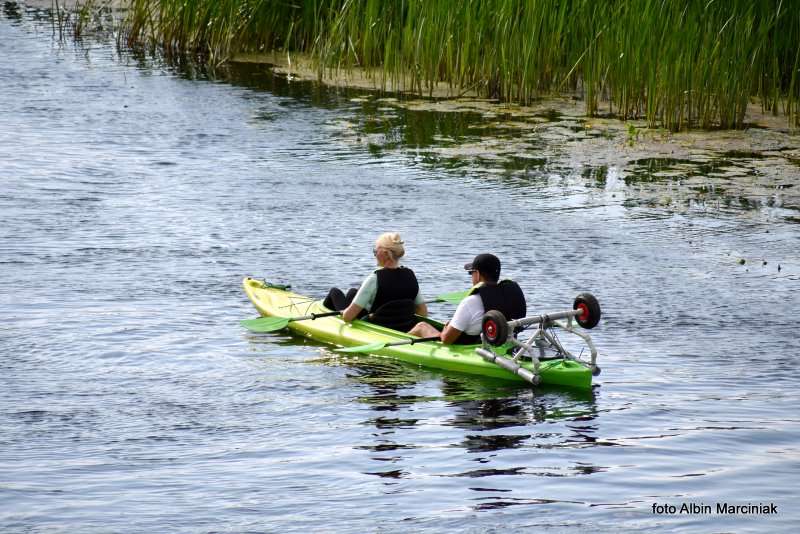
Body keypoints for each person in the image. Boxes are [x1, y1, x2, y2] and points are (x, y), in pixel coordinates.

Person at [408, 253, 526, 344]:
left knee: (422, 326)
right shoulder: (507, 296)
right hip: (500, 343)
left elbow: (446, 340)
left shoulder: (471, 301)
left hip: (467, 347)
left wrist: (446, 329)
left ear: (478, 274)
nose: (471, 277)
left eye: (471, 273)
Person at [323, 232, 428, 331]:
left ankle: (322, 321)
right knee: (352, 292)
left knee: (334, 291)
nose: (374, 255)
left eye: (375, 251)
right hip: (404, 326)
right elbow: (423, 312)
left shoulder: (374, 279)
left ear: (384, 253)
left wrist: (344, 313)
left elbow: (347, 317)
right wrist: (400, 314)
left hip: (378, 327)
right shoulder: (410, 275)